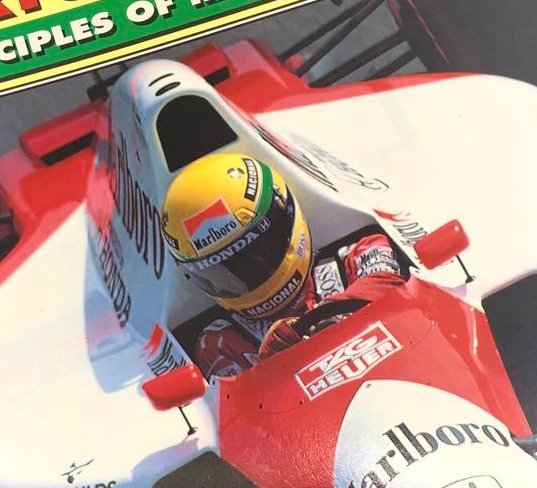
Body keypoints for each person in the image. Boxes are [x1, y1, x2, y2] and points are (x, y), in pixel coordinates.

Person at [161, 152, 406, 379]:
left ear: (284, 223)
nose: (249, 272)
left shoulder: (358, 253)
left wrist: (327, 317)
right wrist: (271, 365)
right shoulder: (219, 342)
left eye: (258, 251)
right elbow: (242, 406)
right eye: (225, 270)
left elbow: (389, 285)